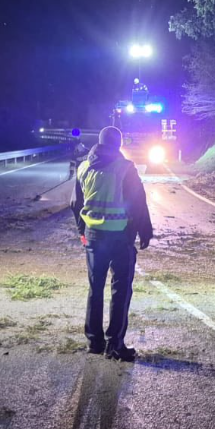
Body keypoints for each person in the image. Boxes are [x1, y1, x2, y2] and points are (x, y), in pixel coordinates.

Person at [70, 126, 153, 361]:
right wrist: (144, 232)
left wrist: (82, 232)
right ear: (119, 144)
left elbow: (75, 203)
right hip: (119, 237)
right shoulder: (125, 168)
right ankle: (115, 344)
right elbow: (138, 203)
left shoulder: (83, 167)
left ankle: (93, 341)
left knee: (95, 289)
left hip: (93, 236)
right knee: (121, 289)